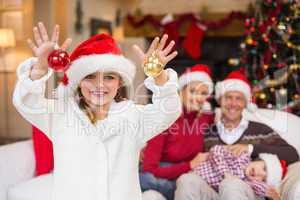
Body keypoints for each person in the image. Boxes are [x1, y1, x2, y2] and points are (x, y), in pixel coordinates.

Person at [13, 22, 181, 200]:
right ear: (78, 81)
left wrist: (158, 74)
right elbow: (26, 101)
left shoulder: (133, 116)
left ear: (119, 82)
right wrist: (39, 68)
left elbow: (168, 111)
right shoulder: (60, 114)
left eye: (109, 77)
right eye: (90, 76)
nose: (99, 85)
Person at [175, 69, 299, 200]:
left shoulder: (260, 130)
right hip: (212, 192)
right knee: (186, 180)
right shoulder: (208, 132)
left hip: (245, 191)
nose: (233, 104)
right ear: (220, 101)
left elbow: (292, 154)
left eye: (238, 98)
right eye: (228, 98)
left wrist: (250, 148)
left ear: (246, 103)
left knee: (230, 184)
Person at [140, 64, 214, 200]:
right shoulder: (166, 118)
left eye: (203, 93)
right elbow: (149, 170)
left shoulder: (207, 118)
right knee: (146, 181)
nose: (198, 98)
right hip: (163, 178)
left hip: (187, 180)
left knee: (187, 183)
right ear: (181, 92)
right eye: (193, 91)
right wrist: (189, 165)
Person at [192, 145, 286, 200]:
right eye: (264, 168)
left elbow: (257, 186)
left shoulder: (246, 182)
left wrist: (268, 191)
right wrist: (226, 173)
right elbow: (216, 149)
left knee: (233, 184)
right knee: (187, 182)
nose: (260, 173)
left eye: (264, 179)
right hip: (197, 176)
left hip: (213, 192)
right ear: (258, 159)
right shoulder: (241, 157)